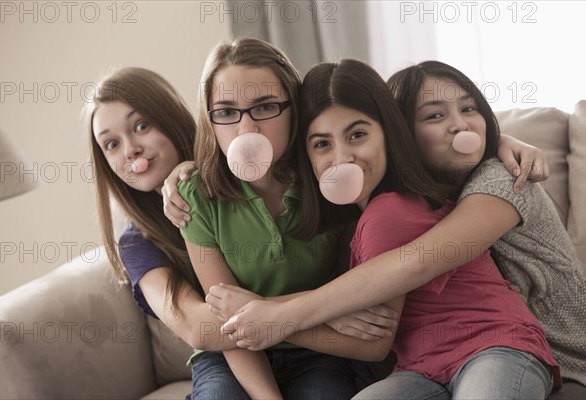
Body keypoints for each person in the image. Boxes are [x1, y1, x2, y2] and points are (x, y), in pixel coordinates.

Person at [220, 60, 586, 396]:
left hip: (555, 352)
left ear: (390, 134)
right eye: (434, 116)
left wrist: (273, 313)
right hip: (423, 367)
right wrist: (178, 177)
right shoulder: (390, 202)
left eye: (357, 135)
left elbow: (410, 267)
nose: (459, 126)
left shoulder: (502, 177)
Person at [87, 65, 398, 400]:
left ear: (173, 118)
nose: (130, 149)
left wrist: (285, 313)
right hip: (228, 355)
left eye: (142, 126)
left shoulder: (251, 174)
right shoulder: (137, 242)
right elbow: (198, 326)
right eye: (112, 144)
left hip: (310, 351)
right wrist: (331, 304)